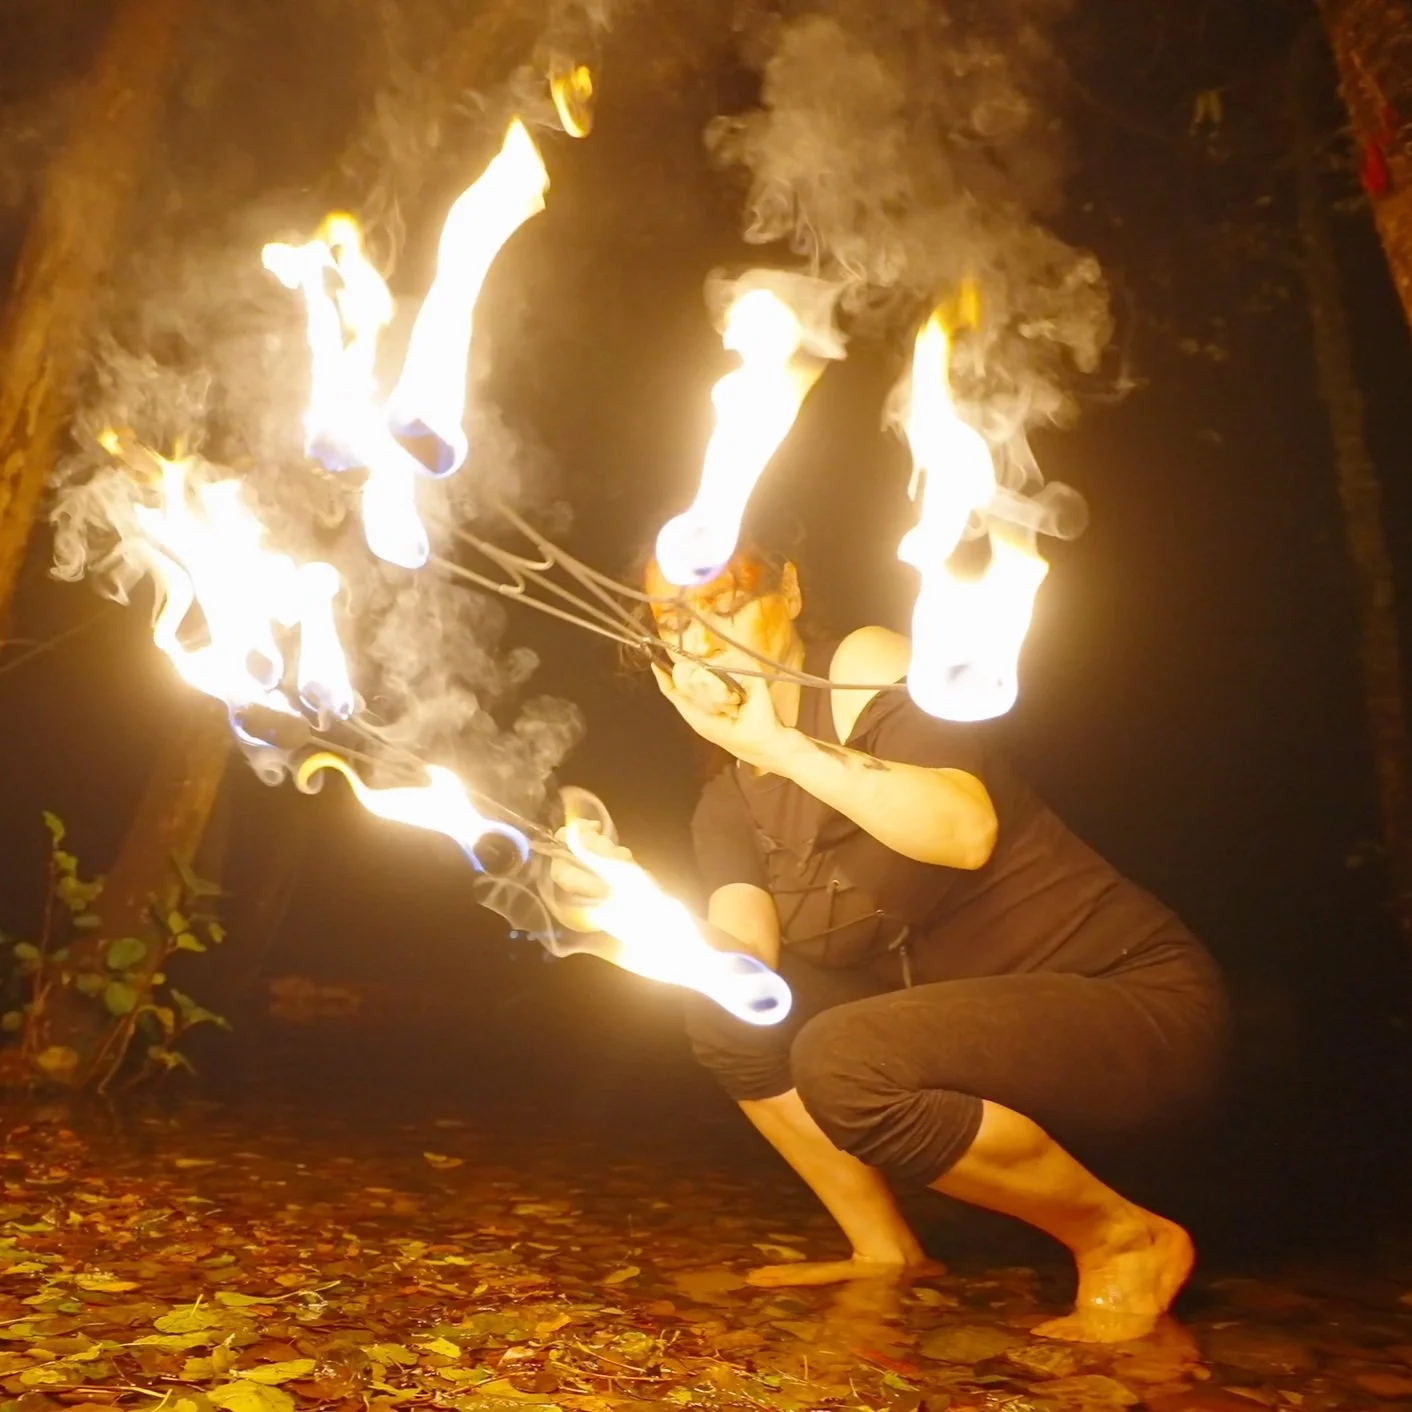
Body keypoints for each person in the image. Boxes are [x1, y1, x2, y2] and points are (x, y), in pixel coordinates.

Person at [561, 546, 1229, 1343]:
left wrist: (781, 747)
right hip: (982, 1035)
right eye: (674, 622)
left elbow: (964, 829)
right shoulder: (727, 801)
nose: (703, 638)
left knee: (843, 1059)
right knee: (727, 1017)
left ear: (793, 589)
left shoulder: (865, 669)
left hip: (1134, 1005)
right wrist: (632, 923)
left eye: (727, 603)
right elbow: (743, 965)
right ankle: (885, 1249)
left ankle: (1126, 1239)